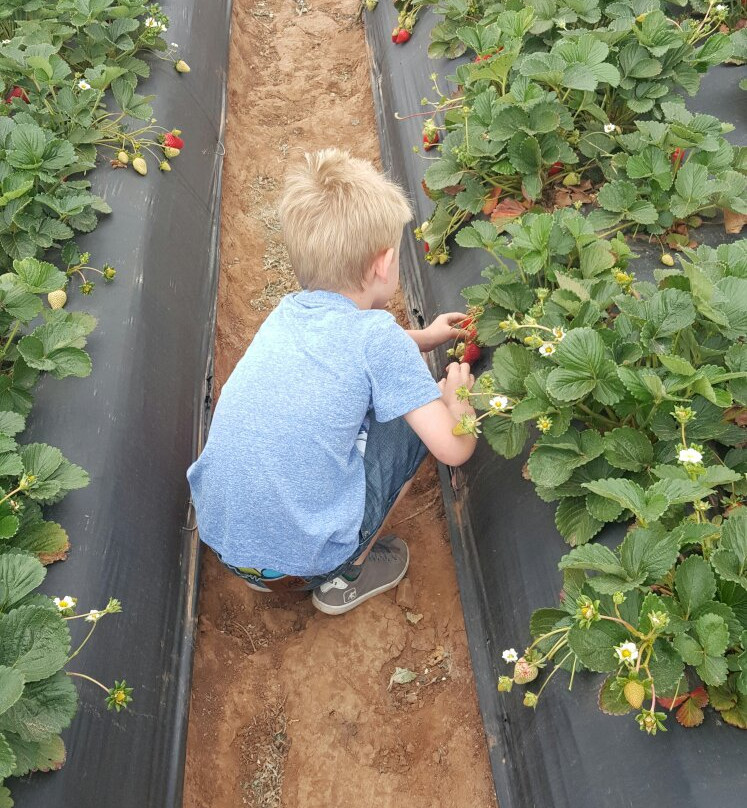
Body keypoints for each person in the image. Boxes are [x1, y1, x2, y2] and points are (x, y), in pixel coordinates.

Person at [187, 148, 477, 615]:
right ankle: (348, 574)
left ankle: (273, 570)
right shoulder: (377, 337)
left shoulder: (286, 313)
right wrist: (457, 399)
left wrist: (424, 337)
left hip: (226, 541)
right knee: (414, 421)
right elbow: (454, 449)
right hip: (307, 562)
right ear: (383, 265)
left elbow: (355, 348)